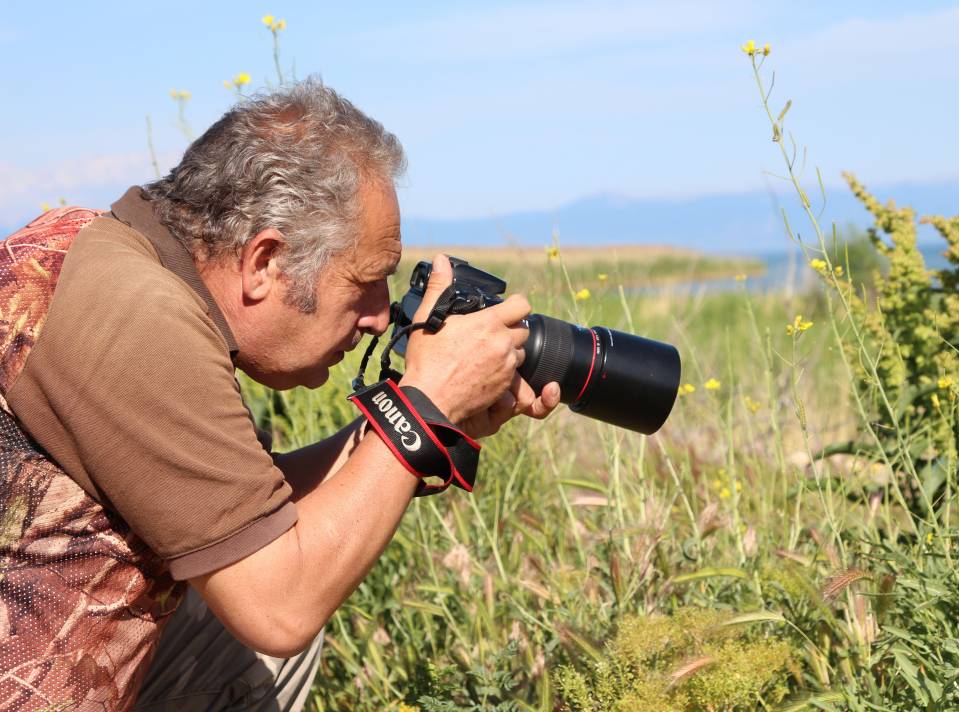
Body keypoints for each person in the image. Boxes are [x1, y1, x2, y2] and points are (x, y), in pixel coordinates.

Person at [0, 78, 560, 711]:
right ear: (265, 261)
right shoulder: (141, 323)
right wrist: (421, 411)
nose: (380, 316)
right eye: (366, 281)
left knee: (242, 625)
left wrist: (425, 410)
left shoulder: (102, 252)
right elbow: (279, 607)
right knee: (267, 628)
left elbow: (245, 513)